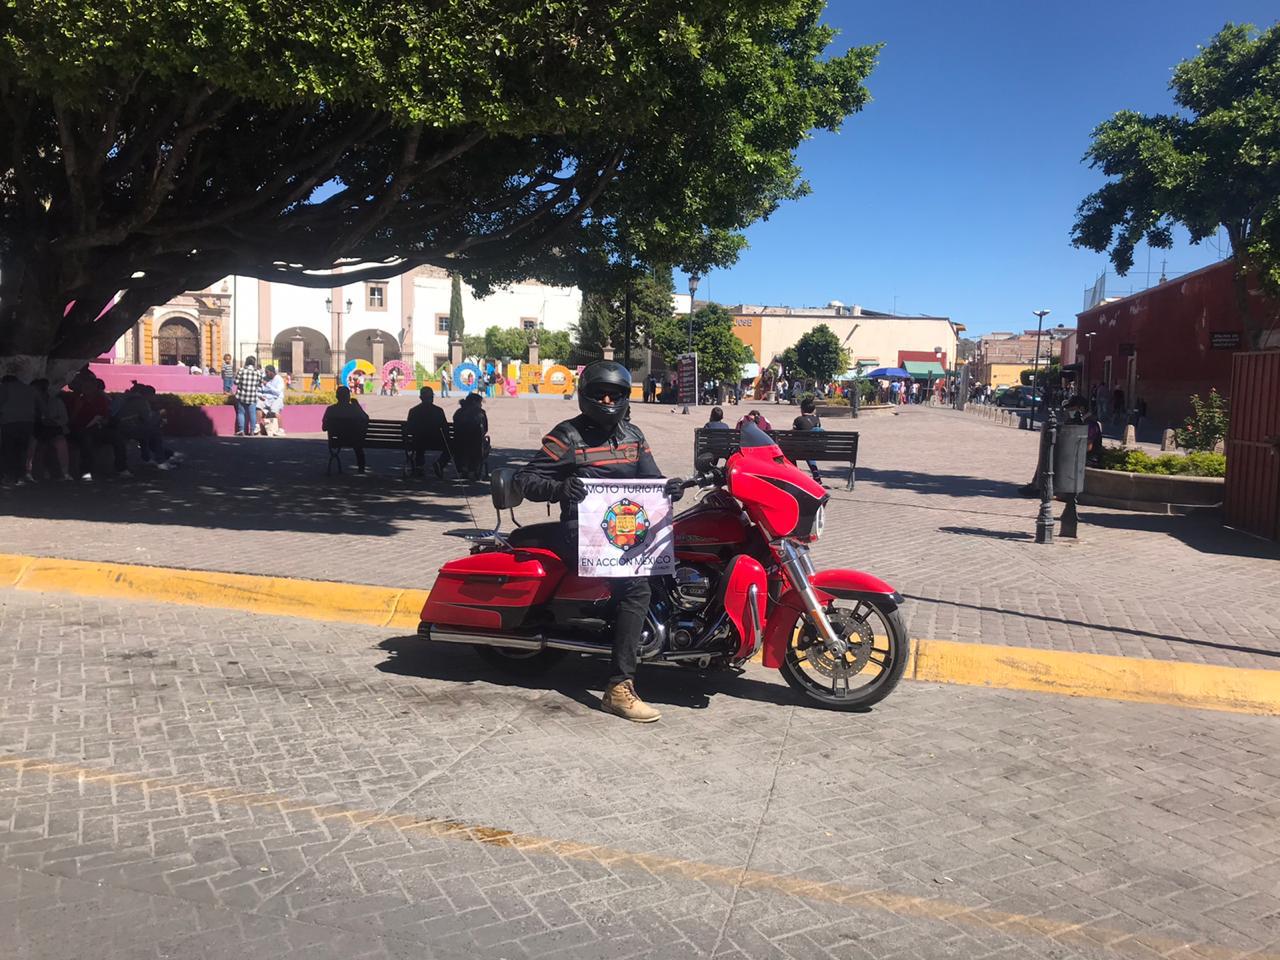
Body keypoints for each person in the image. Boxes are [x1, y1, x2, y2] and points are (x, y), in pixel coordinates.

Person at [516, 361, 684, 724]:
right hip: (582, 530)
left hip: (625, 529)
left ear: (625, 398)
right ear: (585, 397)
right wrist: (560, 488)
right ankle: (618, 687)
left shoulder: (633, 436)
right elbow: (525, 479)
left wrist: (668, 489)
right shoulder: (568, 436)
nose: (607, 400)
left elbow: (650, 481)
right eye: (599, 394)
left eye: (615, 394)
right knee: (637, 588)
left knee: (674, 563)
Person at [66, 377, 129, 479]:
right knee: (86, 440)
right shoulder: (76, 399)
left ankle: (122, 468)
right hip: (79, 429)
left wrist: (104, 420)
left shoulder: (100, 399)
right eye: (86, 387)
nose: (89, 389)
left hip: (97, 428)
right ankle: (86, 471)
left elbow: (105, 415)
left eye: (91, 387)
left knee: (117, 437)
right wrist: (77, 408)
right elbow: (70, 420)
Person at [28, 379, 71, 481]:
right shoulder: (29, 404)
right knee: (32, 444)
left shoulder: (56, 402)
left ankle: (65, 472)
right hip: (36, 431)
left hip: (54, 430)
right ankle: (28, 472)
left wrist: (53, 422)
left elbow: (64, 419)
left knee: (61, 443)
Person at [322, 386, 370, 475]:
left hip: (336, 441)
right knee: (358, 445)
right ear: (348, 397)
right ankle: (361, 468)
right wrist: (358, 406)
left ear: (337, 396)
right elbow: (366, 419)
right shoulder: (354, 409)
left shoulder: (330, 409)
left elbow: (324, 428)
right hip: (355, 440)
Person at [0, 375, 38, 485]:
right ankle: (21, 475)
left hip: (9, 422)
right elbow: (40, 404)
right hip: (27, 423)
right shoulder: (30, 389)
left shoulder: (5, 387)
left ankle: (9, 475)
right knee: (22, 449)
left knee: (8, 449)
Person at [407, 386, 450, 478]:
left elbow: (409, 428)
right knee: (452, 446)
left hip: (416, 441)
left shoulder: (413, 411)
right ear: (432, 397)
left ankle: (419, 466)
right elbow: (445, 428)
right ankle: (440, 463)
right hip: (436, 442)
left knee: (419, 440)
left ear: (420, 398)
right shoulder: (438, 411)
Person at [452, 392, 490, 480]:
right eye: (479, 403)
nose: (481, 405)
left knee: (465, 443)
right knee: (478, 442)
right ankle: (472, 470)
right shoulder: (480, 413)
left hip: (458, 443)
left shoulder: (458, 412)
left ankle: (462, 469)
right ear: (474, 402)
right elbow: (485, 429)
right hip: (475, 444)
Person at [792, 396, 825, 486]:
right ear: (813, 410)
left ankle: (795, 476)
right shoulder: (817, 419)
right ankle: (816, 475)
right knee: (808, 450)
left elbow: (793, 434)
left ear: (802, 409)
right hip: (816, 449)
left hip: (801, 449)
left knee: (790, 451)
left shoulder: (798, 420)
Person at [232, 356, 263, 436]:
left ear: (246, 362)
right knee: (252, 414)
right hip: (252, 396)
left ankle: (241, 430)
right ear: (254, 363)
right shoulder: (258, 372)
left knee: (241, 413)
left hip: (242, 395)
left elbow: (236, 382)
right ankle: (252, 431)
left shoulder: (241, 370)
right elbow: (260, 384)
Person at [257, 365, 286, 436]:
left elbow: (278, 392)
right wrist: (260, 395)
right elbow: (259, 389)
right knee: (258, 406)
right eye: (265, 372)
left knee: (274, 411)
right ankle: (257, 427)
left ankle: (281, 429)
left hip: (277, 398)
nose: (266, 374)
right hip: (266, 398)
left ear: (272, 372)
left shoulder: (279, 379)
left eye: (267, 372)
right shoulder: (264, 378)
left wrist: (267, 385)